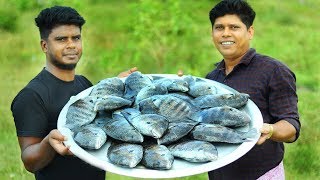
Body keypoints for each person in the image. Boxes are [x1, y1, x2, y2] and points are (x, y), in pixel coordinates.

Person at [11, 6, 137, 180]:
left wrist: (117, 84)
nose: (71, 45)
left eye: (76, 38)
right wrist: (49, 142)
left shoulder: (83, 83)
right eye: (62, 39)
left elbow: (100, 117)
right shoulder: (32, 95)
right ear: (44, 45)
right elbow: (29, 161)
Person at [205, 0, 300, 179]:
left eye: (234, 27)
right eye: (219, 28)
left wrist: (270, 130)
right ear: (212, 34)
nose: (226, 33)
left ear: (250, 32)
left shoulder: (273, 71)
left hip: (262, 175)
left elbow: (291, 126)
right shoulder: (212, 78)